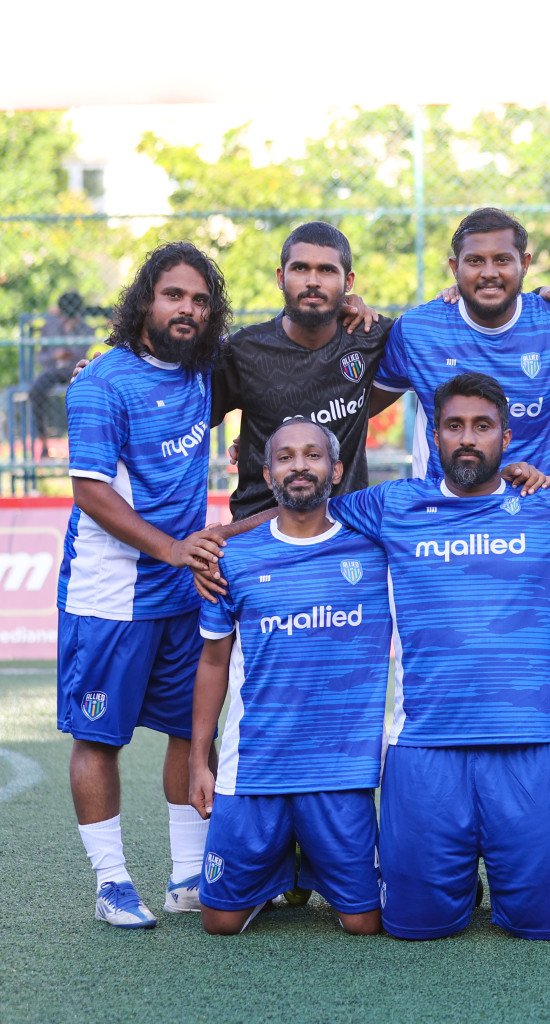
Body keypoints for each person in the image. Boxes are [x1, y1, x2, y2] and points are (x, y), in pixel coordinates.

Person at [322, 372, 550, 940]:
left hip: (534, 743)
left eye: (482, 427)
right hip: (424, 747)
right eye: (454, 425)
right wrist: (224, 535)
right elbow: (301, 515)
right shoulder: (393, 503)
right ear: (433, 436)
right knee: (414, 926)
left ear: (507, 438)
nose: (467, 438)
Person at [58, 241, 231, 928]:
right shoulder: (101, 382)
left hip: (181, 594)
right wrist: (172, 549)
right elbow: (91, 493)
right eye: (174, 296)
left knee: (192, 732)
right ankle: (111, 882)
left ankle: (187, 876)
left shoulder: (203, 372)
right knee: (99, 738)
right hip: (111, 597)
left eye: (199, 300)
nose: (187, 309)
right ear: (145, 302)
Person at [187, 420, 393, 935]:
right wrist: (198, 758)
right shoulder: (232, 558)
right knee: (220, 924)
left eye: (313, 456)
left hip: (340, 769)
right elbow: (213, 662)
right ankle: (282, 868)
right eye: (285, 457)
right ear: (267, 472)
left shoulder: (377, 550)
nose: (299, 466)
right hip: (256, 763)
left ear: (337, 469)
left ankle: (305, 858)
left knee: (364, 924)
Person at [373, 207, 550, 481]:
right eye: (474, 261)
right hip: (443, 517)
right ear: (454, 267)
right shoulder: (418, 331)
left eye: (502, 260)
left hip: (536, 513)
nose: (489, 273)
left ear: (525, 264)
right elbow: (355, 411)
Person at [213, 222, 393, 521]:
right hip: (257, 530)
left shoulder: (370, 335)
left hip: (345, 529)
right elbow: (184, 413)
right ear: (281, 277)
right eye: (300, 268)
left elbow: (445, 331)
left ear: (348, 281)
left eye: (326, 270)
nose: (313, 281)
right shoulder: (244, 350)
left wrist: (453, 292)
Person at [32, 290, 93, 445]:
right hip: (53, 371)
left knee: (87, 391)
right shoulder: (50, 327)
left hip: (74, 370)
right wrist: (55, 356)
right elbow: (41, 357)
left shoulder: (85, 328)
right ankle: (43, 441)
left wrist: (69, 349)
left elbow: (81, 353)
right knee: (36, 390)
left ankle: (84, 438)